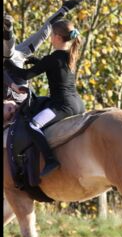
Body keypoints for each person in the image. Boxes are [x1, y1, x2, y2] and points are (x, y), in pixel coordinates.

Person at [4, 20, 86, 178]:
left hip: (63, 107)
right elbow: (52, 68)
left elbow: (25, 75)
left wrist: (8, 64)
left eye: (51, 36)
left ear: (56, 37)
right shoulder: (69, 55)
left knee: (32, 125)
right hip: (78, 104)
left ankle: (50, 160)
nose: (50, 39)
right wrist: (35, 61)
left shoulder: (53, 58)